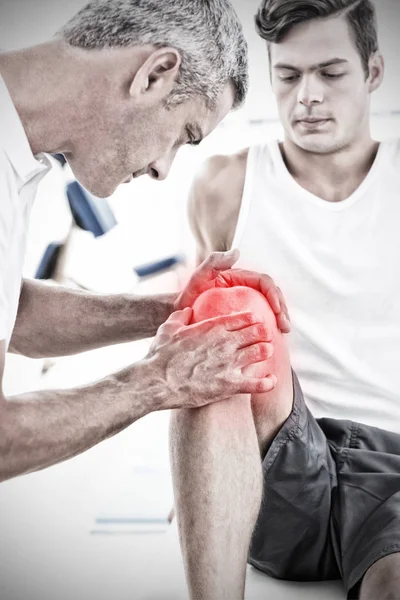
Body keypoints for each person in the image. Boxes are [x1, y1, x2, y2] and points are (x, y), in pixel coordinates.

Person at [0, 0, 292, 483]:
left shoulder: (15, 160)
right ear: (154, 74)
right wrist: (157, 380)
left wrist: (173, 309)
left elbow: (15, 312)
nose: (163, 169)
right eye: (184, 134)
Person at [170, 1, 400, 599]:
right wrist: (197, 480)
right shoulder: (224, 185)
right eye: (290, 75)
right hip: (280, 464)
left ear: (373, 71)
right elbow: (183, 348)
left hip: (395, 469)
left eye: (331, 72)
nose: (308, 96)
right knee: (224, 312)